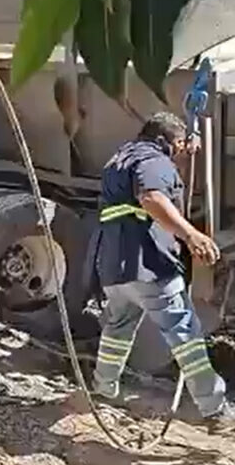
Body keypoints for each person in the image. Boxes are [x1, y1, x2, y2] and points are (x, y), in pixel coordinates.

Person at [91, 111, 235, 429]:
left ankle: (103, 389)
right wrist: (191, 235)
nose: (182, 150)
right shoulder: (154, 160)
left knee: (117, 330)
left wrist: (184, 151)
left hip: (116, 267)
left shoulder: (121, 157)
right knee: (186, 335)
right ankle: (215, 410)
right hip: (150, 264)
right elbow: (152, 196)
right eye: (179, 144)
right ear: (163, 141)